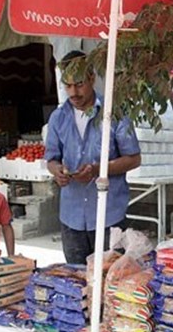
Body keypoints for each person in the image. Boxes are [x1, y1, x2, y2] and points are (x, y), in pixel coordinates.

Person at [45, 50, 141, 265]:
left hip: (109, 215)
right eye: (67, 86)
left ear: (91, 78)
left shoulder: (114, 112)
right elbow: (51, 158)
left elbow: (134, 158)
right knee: (76, 281)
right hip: (71, 216)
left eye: (78, 84)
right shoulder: (58, 118)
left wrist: (97, 169)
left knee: (112, 280)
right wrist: (57, 171)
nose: (73, 92)